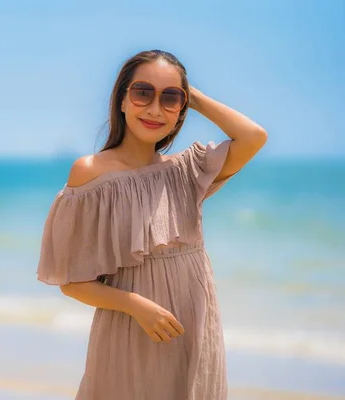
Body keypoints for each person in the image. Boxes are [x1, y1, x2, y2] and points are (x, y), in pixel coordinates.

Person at [36, 50, 267, 400]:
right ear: (122, 100)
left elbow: (253, 137)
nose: (155, 109)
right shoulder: (90, 173)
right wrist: (136, 306)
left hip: (195, 331)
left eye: (170, 98)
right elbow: (72, 283)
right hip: (130, 332)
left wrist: (193, 96)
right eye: (143, 93)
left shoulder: (188, 171)